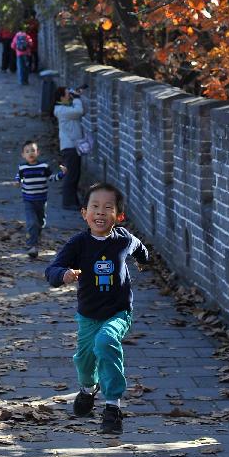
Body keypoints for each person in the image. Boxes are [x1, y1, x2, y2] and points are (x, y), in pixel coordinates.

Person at [45, 183, 148, 435]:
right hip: (88, 315)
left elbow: (139, 247)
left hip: (118, 312)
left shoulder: (124, 238)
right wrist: (64, 274)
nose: (100, 213)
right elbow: (52, 269)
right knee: (84, 359)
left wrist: (143, 260)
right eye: (95, 207)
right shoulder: (78, 244)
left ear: (119, 216)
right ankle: (87, 389)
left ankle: (113, 406)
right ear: (84, 213)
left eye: (108, 208)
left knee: (106, 343)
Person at [15, 140, 66, 259]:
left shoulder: (43, 166)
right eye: (27, 151)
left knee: (40, 223)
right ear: (23, 155)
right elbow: (19, 177)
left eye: (33, 150)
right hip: (28, 200)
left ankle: (35, 236)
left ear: (38, 152)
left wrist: (62, 174)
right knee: (32, 222)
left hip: (41, 200)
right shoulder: (23, 167)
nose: (30, 153)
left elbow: (52, 178)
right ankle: (32, 246)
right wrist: (18, 182)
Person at [53, 85, 86, 210]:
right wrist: (77, 98)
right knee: (70, 175)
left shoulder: (66, 107)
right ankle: (68, 202)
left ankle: (73, 201)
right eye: (67, 94)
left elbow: (82, 110)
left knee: (75, 174)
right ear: (61, 97)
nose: (70, 96)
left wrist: (76, 97)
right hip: (69, 146)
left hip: (73, 146)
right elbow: (79, 111)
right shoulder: (61, 110)